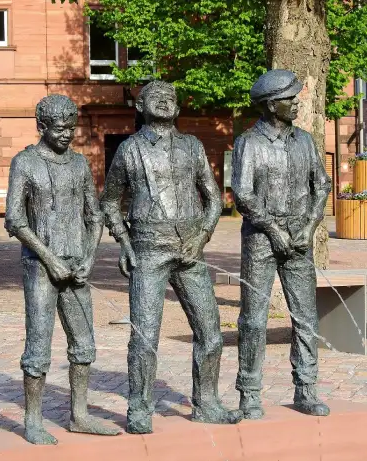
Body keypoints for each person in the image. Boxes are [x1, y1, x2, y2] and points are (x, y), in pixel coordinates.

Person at [101, 80, 242, 434]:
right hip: (148, 251)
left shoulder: (193, 147)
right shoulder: (130, 150)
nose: (165, 102)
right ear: (140, 106)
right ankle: (139, 407)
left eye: (171, 98)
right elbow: (109, 202)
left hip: (191, 250)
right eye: (156, 97)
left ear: (178, 108)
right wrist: (124, 243)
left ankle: (207, 402)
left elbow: (213, 199)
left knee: (211, 333)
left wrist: (203, 235)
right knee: (145, 336)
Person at [5, 94, 119, 444]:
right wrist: (49, 258)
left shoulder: (80, 164)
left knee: (84, 343)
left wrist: (89, 257)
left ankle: (80, 414)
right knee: (38, 345)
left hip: (77, 266)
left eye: (71, 127)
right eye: (59, 128)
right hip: (41, 267)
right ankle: (33, 419)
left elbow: (94, 214)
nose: (67, 134)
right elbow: (15, 219)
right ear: (42, 127)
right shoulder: (24, 163)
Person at [231, 69, 332, 419]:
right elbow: (242, 193)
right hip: (261, 238)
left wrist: (309, 226)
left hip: (300, 237)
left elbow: (321, 185)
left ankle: (306, 389)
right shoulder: (249, 143)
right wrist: (274, 230)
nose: (296, 103)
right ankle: (249, 393)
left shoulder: (305, 141)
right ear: (272, 106)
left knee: (305, 317)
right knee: (254, 320)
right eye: (290, 99)